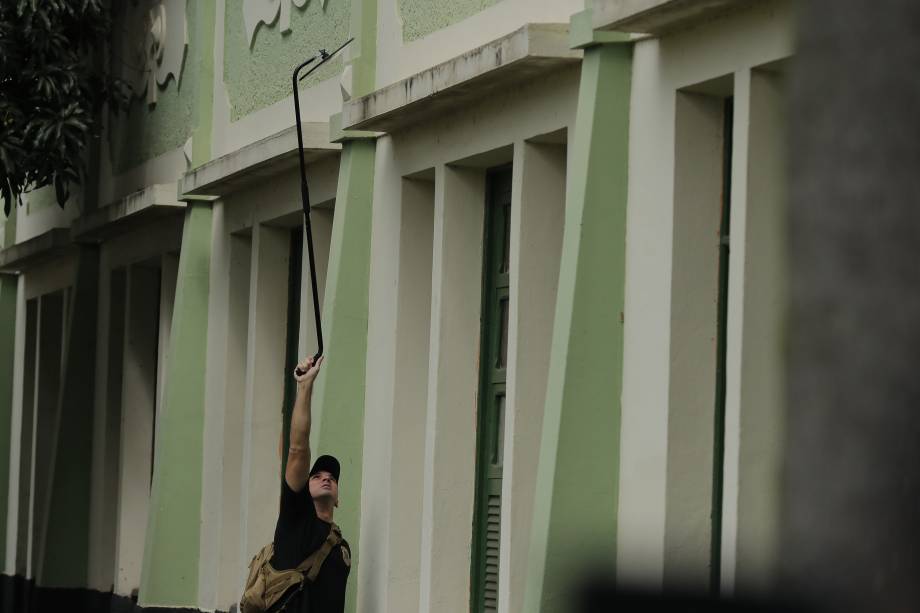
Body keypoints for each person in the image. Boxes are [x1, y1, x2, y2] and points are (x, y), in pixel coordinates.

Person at [269, 356, 351, 612]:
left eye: (332, 477)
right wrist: (305, 387)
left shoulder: (341, 547)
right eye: (316, 476)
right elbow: (296, 449)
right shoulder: (296, 519)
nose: (326, 478)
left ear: (337, 498)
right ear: (304, 488)